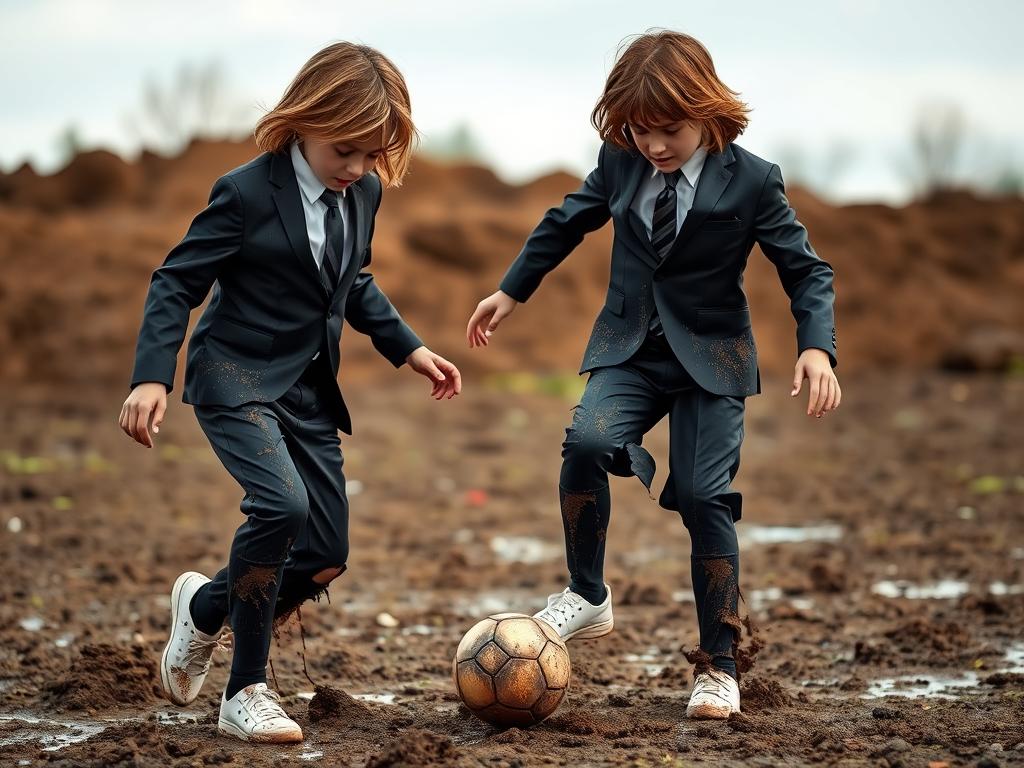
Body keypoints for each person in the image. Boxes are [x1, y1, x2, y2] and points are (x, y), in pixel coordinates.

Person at [466, 29, 839, 719]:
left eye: (669, 130)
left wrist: (816, 346)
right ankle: (587, 594)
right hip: (631, 348)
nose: (655, 145)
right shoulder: (620, 163)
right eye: (639, 131)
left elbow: (806, 269)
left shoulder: (754, 179)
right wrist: (512, 289)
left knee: (703, 498)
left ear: (707, 110)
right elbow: (563, 223)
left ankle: (719, 667)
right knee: (584, 442)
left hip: (713, 362)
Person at [119, 42, 461, 743]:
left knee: (325, 552)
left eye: (372, 155)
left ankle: (207, 609)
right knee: (280, 505)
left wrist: (411, 348)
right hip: (234, 376)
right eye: (346, 150)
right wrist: (152, 374)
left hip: (307, 388)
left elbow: (352, 280)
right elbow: (176, 282)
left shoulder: (360, 192)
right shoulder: (245, 192)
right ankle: (245, 691)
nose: (359, 169)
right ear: (305, 118)